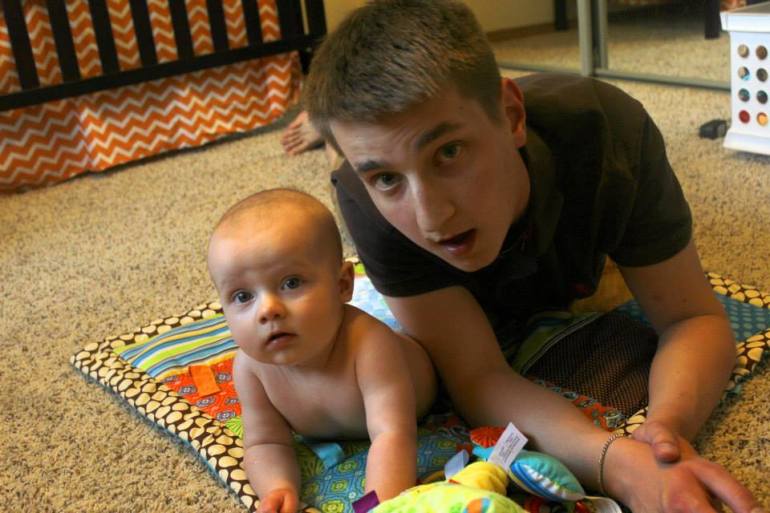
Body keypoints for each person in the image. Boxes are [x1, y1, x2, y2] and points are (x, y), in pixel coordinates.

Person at [300, 1, 764, 512]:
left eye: (449, 153)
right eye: (387, 177)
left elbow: (692, 316)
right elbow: (478, 375)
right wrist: (620, 465)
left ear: (512, 115)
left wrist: (665, 436)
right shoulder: (363, 201)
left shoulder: (610, 134)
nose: (431, 217)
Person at [206, 189, 437, 513]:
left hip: (414, 397)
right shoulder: (250, 369)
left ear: (343, 284)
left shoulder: (369, 345)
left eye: (291, 283)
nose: (268, 310)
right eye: (243, 296)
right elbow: (265, 441)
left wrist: (379, 505)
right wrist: (277, 488)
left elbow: (392, 434)